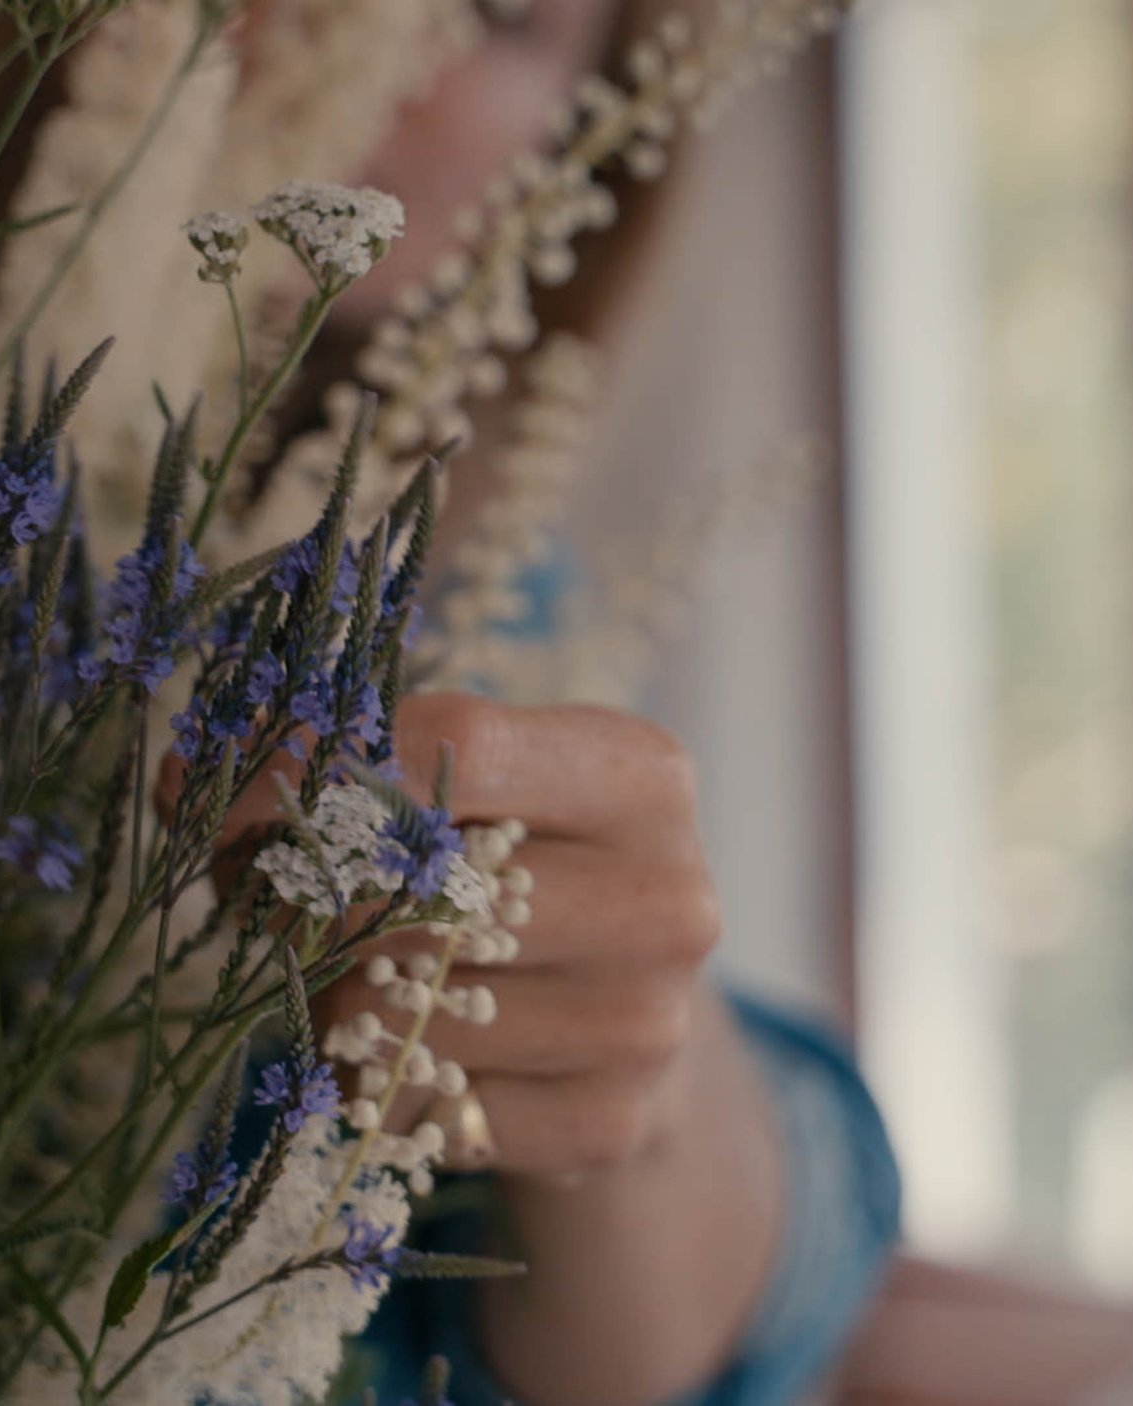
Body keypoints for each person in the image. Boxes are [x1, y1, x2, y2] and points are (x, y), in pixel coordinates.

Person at [248, 3, 904, 1402]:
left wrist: (641, 1095)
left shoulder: (483, 612)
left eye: (497, 12)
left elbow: (736, 1317)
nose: (379, 47)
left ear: (588, 148)